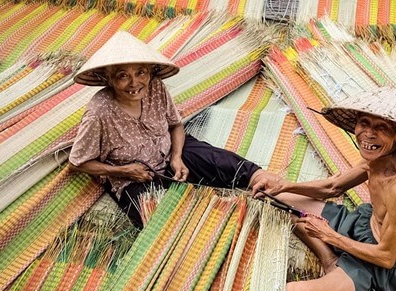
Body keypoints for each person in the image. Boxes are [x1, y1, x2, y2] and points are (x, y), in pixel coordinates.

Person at [251, 86, 396, 291]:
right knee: (279, 198)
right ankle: (330, 260)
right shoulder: (375, 159)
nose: (368, 134)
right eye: (364, 123)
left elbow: (386, 257)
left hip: (375, 263)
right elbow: (333, 187)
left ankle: (335, 260)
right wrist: (285, 185)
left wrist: (329, 235)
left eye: (382, 128)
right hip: (362, 228)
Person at [68, 31, 273, 228]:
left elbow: (175, 125)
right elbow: (78, 162)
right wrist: (123, 171)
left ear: (149, 72)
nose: (134, 83)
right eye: (123, 76)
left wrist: (176, 157)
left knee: (219, 161)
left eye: (140, 72)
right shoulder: (99, 112)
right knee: (158, 216)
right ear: (109, 80)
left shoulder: (155, 87)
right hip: (134, 176)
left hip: (169, 151)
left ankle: (266, 183)